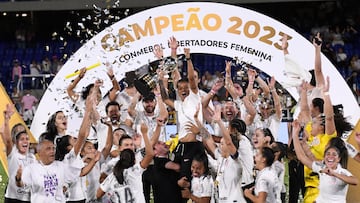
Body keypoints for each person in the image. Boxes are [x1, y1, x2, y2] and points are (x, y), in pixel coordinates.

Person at [292, 120, 358, 203]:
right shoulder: (322, 168)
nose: (330, 157)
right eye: (327, 153)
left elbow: (354, 181)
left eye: (333, 154)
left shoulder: (341, 171)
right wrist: (295, 134)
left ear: (339, 158)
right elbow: (301, 157)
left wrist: (334, 173)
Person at [96, 123, 154, 203]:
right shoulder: (134, 169)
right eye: (126, 145)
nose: (130, 147)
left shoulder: (137, 158)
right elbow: (150, 154)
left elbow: (99, 193)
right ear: (120, 148)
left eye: (131, 145)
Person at [15, 132, 79, 202]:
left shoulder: (61, 166)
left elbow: (75, 175)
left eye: (53, 148)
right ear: (39, 152)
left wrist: (65, 186)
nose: (52, 151)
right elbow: (22, 185)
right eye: (48, 149)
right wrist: (18, 179)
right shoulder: (31, 169)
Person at [1, 104, 36, 203]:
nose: (24, 138)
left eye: (25, 134)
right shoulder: (13, 152)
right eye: (19, 134)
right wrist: (7, 119)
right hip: (13, 198)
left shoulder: (32, 157)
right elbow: (6, 139)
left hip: (27, 198)